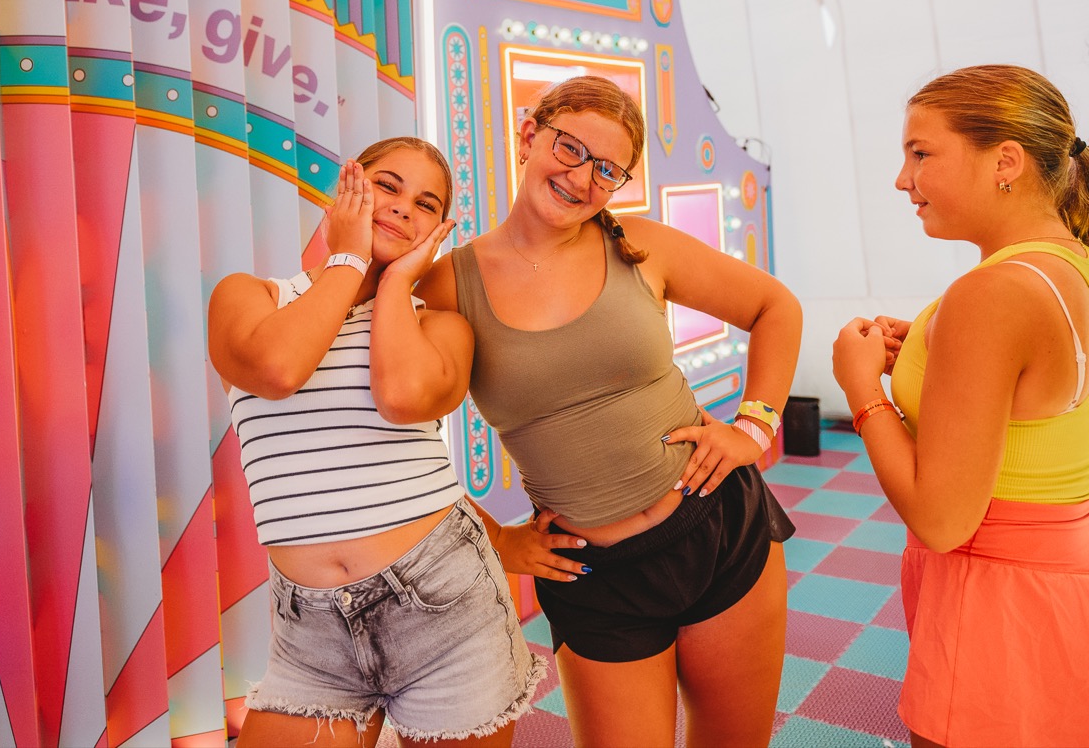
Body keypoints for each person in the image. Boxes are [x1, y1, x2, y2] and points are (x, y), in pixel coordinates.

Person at [417, 76, 803, 747]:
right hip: (595, 577)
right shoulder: (449, 284)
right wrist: (497, 539)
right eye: (569, 148)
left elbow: (776, 308)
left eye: (606, 169)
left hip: (720, 529)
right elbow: (396, 438)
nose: (580, 177)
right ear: (528, 134)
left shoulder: (639, 244)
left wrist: (754, 426)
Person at [207, 137, 545, 747]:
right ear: (345, 190)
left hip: (448, 609)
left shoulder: (437, 326)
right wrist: (348, 259)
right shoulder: (251, 298)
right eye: (387, 186)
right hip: (311, 632)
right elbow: (279, 369)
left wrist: (395, 285)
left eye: (425, 204)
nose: (402, 207)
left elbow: (403, 397)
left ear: (435, 230)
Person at [832, 64, 1089, 747]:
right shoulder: (1068, 264)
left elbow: (942, 520)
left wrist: (861, 390)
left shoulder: (994, 292)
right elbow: (1040, 395)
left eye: (921, 154)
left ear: (1005, 161)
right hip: (1058, 585)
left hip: (993, 600)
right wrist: (931, 355)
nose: (902, 179)